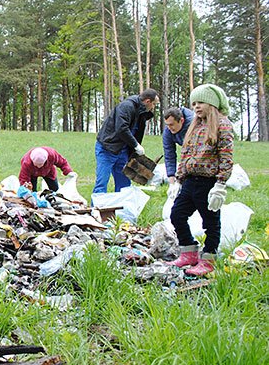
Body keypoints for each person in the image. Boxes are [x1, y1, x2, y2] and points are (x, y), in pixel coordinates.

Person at [167, 84, 234, 276]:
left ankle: (209, 258)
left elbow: (226, 156)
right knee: (177, 214)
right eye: (194, 103)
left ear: (212, 103)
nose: (196, 107)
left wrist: (221, 184)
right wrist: (178, 180)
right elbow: (185, 154)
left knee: (210, 222)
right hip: (190, 181)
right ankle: (188, 251)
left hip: (209, 182)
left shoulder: (223, 125)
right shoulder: (194, 126)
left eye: (201, 102)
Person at [92, 88, 159, 194]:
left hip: (123, 151)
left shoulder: (142, 113)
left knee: (124, 184)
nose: (153, 107)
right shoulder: (127, 106)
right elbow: (121, 129)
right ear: (147, 101)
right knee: (102, 182)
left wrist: (133, 150)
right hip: (107, 148)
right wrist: (136, 145)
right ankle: (97, 209)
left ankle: (122, 209)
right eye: (154, 104)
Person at [163, 107, 194, 198]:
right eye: (167, 125)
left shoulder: (193, 126)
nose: (169, 128)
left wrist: (180, 179)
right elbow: (169, 155)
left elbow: (190, 154)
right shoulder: (168, 131)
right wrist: (172, 182)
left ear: (181, 120)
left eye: (172, 124)